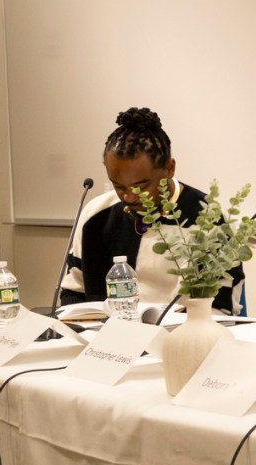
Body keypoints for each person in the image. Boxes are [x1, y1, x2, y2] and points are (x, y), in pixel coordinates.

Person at [60, 107, 243, 313]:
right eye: (118, 186)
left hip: (179, 339)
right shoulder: (96, 215)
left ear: (170, 168)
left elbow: (221, 310)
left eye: (141, 186)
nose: (129, 196)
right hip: (104, 338)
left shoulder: (206, 219)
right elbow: (73, 292)